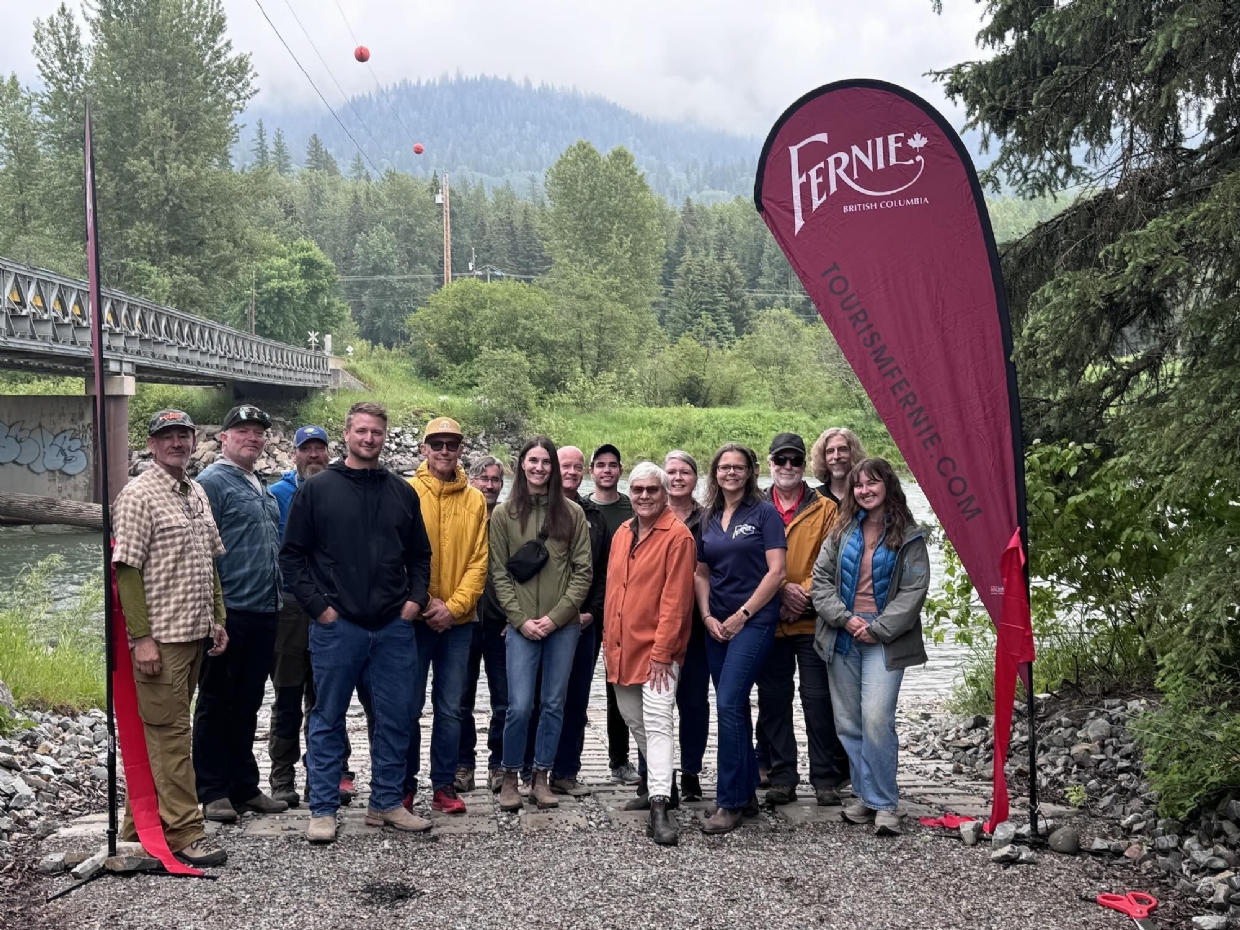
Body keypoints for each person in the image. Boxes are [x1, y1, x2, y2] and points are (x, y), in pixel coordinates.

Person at [281, 401, 434, 843]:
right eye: (362, 431)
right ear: (346, 435)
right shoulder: (318, 490)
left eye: (377, 433)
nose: (370, 439)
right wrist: (320, 609)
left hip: (392, 626)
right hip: (336, 625)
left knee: (396, 716)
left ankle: (387, 802)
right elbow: (292, 557)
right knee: (328, 717)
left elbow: (420, 556)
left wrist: (414, 601)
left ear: (384, 437)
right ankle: (324, 809)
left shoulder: (402, 493)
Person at [111, 409, 229, 867]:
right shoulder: (139, 495)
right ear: (152, 442)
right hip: (161, 638)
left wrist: (217, 617)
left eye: (184, 435)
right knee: (172, 736)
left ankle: (138, 821)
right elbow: (127, 572)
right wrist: (141, 638)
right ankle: (183, 832)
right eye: (168, 436)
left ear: (194, 439)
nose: (177, 443)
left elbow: (209, 563)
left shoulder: (195, 491)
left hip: (195, 632)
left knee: (163, 733)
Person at [811, 457, 930, 836]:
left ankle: (885, 804)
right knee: (848, 722)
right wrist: (845, 619)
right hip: (842, 631)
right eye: (859, 485)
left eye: (872, 483)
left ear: (887, 486)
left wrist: (877, 628)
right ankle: (865, 797)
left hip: (885, 638)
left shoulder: (909, 534)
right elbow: (820, 580)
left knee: (877, 718)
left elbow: (914, 590)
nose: (864, 490)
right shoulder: (842, 530)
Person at [194, 405, 288, 823]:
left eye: (259, 431)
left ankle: (244, 786)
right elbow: (200, 551)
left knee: (248, 702)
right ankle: (212, 790)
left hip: (265, 610)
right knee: (216, 702)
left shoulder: (261, 485)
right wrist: (211, 613)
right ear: (224, 437)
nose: (253, 437)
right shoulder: (212, 483)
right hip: (229, 611)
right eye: (243, 430)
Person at [491, 437, 592, 812]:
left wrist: (555, 618)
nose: (539, 468)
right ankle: (510, 776)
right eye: (532, 461)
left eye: (545, 461)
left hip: (561, 626)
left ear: (553, 467)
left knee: (553, 703)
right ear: (521, 465)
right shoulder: (504, 515)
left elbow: (583, 573)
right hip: (520, 627)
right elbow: (499, 573)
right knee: (518, 705)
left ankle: (542, 777)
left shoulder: (572, 514)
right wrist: (519, 619)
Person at [694, 443, 786, 834]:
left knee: (730, 702)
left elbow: (777, 572)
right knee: (734, 708)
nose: (731, 473)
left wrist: (742, 615)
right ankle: (746, 793)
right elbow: (700, 573)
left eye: (738, 467)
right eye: (724, 467)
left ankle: (729, 802)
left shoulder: (764, 513)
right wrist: (707, 615)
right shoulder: (709, 516)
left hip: (754, 622)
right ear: (715, 473)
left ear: (750, 472)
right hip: (716, 625)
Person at [604, 462, 696, 846]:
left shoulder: (678, 537)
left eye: (652, 490)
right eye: (638, 490)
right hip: (621, 649)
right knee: (632, 718)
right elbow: (614, 590)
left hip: (658, 652)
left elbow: (676, 601)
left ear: (664, 493)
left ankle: (659, 807)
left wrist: (663, 654)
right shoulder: (623, 533)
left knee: (658, 723)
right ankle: (665, 783)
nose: (644, 496)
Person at [755, 433, 847, 807]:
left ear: (804, 465)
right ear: (770, 463)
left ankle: (825, 778)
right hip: (769, 621)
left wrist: (801, 593)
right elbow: (748, 559)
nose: (788, 467)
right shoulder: (755, 505)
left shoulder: (826, 508)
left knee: (817, 699)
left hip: (813, 621)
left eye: (795, 460)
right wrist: (778, 593)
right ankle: (782, 776)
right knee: (774, 701)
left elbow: (836, 560)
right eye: (781, 460)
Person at [404, 417, 489, 815]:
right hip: (414, 620)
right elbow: (397, 556)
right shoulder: (405, 492)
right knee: (406, 705)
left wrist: (452, 608)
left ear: (460, 450)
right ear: (424, 449)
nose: (443, 450)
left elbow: (479, 561)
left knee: (451, 706)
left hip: (458, 623)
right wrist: (422, 604)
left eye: (451, 444)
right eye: (436, 443)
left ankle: (443, 785)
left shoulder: (475, 499)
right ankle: (402, 785)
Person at [267, 425, 330, 808]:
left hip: (330, 605)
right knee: (288, 694)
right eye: (306, 449)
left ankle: (323, 776)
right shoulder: (276, 495)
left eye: (319, 449)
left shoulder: (338, 488)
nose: (313, 456)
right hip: (290, 608)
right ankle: (281, 777)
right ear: (294, 455)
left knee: (324, 698)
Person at [543, 446, 608, 795]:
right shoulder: (536, 510)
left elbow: (602, 574)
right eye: (564, 465)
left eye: (577, 467)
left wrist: (591, 613)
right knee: (540, 699)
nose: (571, 471)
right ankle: (532, 770)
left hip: (582, 622)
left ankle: (566, 772)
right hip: (541, 622)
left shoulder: (594, 515)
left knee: (576, 699)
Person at [585, 443, 639, 786]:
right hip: (586, 610)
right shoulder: (582, 508)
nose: (607, 470)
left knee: (618, 684)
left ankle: (620, 759)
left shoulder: (632, 507)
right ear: (593, 471)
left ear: (621, 471)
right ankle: (564, 765)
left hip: (625, 611)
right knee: (573, 687)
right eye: (600, 465)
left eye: (613, 465)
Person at [455, 456, 508, 794]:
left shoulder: (509, 518)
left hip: (503, 625)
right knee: (460, 700)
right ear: (471, 480)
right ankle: (463, 764)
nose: (489, 485)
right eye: (483, 478)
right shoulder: (462, 516)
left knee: (506, 701)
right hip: (464, 622)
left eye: (496, 479)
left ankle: (499, 763)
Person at [664, 449, 709, 803]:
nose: (678, 478)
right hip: (659, 626)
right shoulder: (650, 514)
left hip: (698, 624)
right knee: (656, 703)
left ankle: (691, 771)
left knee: (693, 703)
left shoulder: (709, 519)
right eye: (672, 472)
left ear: (696, 479)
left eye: (685, 472)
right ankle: (657, 778)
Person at [810, 427, 866, 505]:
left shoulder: (865, 495)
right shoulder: (812, 498)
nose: (836, 456)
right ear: (823, 457)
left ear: (854, 453)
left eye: (842, 449)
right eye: (830, 451)